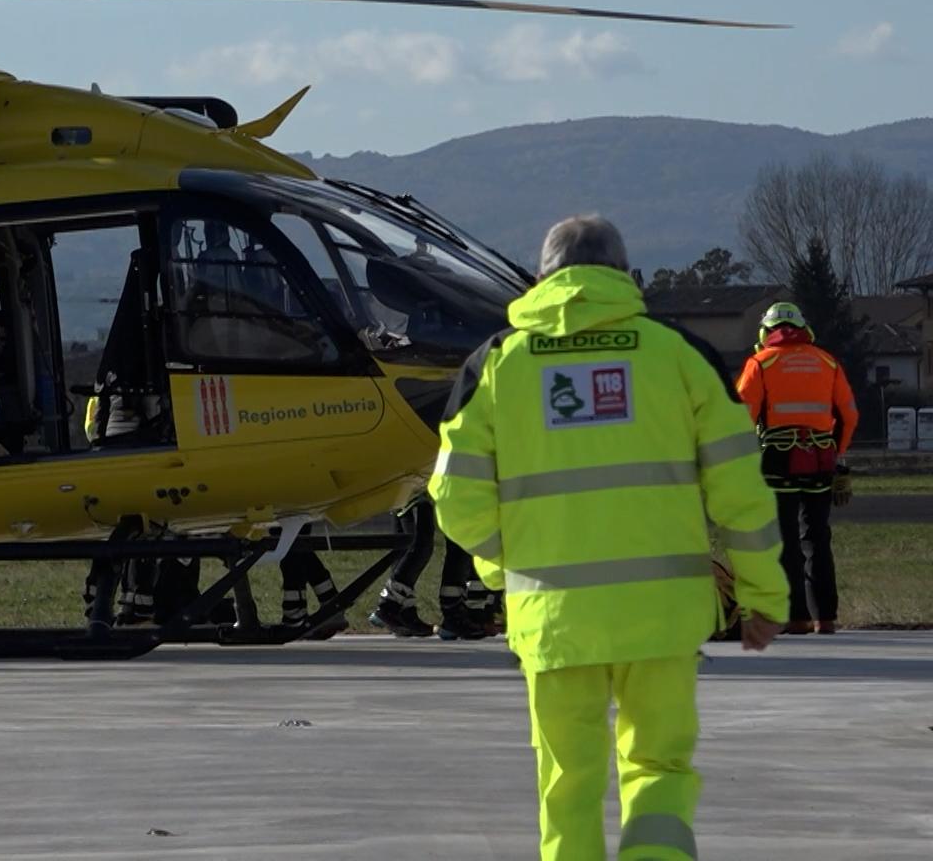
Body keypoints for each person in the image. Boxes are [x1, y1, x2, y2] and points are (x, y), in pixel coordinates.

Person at [431, 214, 786, 861]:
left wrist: (508, 569)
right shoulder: (677, 355)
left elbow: (454, 501)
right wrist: (764, 599)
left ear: (542, 279)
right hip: (663, 621)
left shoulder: (497, 363)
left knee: (567, 786)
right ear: (625, 277)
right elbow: (743, 496)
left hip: (554, 622)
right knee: (657, 770)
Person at [735, 302, 859, 635]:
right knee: (817, 537)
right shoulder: (827, 362)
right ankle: (826, 617)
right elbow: (849, 416)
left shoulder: (760, 363)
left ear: (765, 333)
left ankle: (796, 617)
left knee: (785, 538)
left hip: (777, 460)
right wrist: (839, 457)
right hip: (820, 460)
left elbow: (740, 418)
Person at [367, 494, 496, 640]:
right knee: (421, 546)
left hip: (416, 487)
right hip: (414, 485)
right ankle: (391, 607)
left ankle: (403, 610)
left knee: (419, 546)